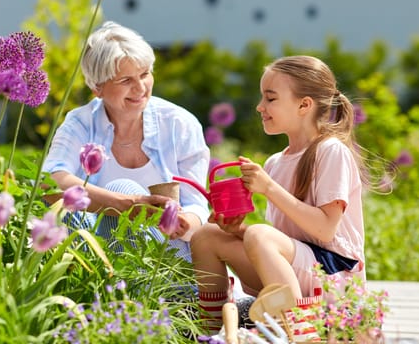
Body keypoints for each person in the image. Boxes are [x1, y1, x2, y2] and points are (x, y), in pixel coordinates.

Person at [190, 55, 369, 334]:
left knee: (259, 234)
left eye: (270, 98)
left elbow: (324, 230)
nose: (260, 107)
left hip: (334, 276)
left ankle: (300, 333)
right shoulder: (275, 162)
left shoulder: (331, 151)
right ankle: (213, 333)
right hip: (296, 275)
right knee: (206, 235)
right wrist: (238, 230)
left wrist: (269, 189)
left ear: (304, 105)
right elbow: (286, 241)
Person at [43, 21, 210, 262]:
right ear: (96, 88)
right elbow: (49, 182)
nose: (140, 88)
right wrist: (128, 204)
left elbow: (197, 205)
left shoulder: (178, 124)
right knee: (75, 209)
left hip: (168, 260)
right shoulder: (80, 123)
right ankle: (116, 293)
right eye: (125, 81)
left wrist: (184, 223)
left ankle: (144, 296)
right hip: (100, 258)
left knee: (118, 190)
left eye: (144, 74)